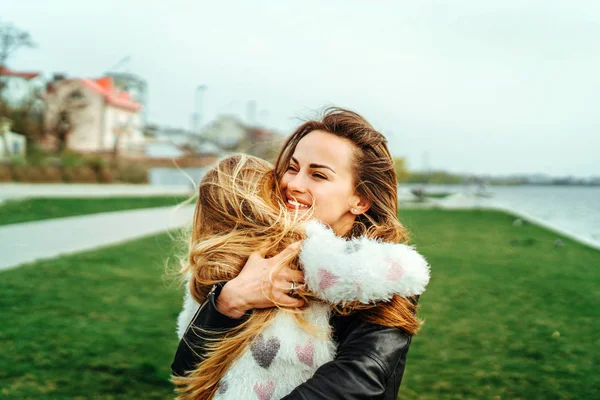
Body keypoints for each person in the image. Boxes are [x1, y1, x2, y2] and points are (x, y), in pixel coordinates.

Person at [172, 107, 425, 399]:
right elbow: (187, 370)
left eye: (318, 175)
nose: (293, 184)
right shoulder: (258, 257)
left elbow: (360, 379)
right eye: (292, 168)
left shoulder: (379, 274)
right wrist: (228, 303)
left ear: (360, 200)